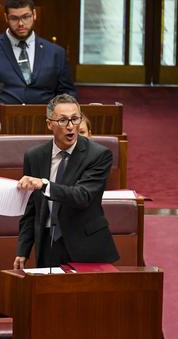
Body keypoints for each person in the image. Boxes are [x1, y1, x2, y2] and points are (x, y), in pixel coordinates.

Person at [14, 94, 119, 269]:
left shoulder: (99, 155)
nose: (71, 127)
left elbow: (82, 196)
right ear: (49, 124)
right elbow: (31, 208)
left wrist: (45, 185)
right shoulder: (34, 156)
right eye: (63, 121)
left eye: (75, 119)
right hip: (48, 244)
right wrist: (23, 249)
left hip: (86, 245)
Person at [0, 0, 76, 129]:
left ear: (34, 15)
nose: (21, 24)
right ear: (6, 18)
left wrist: (57, 115)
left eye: (26, 17)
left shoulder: (56, 53)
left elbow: (67, 93)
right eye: (14, 18)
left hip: (45, 127)